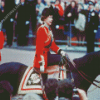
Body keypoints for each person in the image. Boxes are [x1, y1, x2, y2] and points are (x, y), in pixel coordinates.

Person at [33, 6, 66, 85]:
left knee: (64, 58)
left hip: (48, 55)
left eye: (52, 17)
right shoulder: (41, 29)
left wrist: (60, 51)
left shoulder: (49, 29)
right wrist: (41, 63)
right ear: (44, 18)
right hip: (42, 58)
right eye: (50, 17)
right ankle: (62, 82)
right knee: (62, 59)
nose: (52, 19)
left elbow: (53, 45)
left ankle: (61, 80)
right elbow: (39, 49)